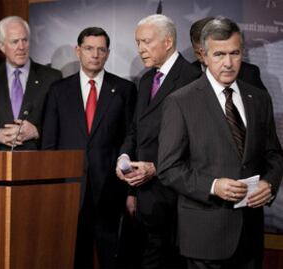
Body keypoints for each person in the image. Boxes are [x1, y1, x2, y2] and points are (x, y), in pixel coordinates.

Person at [158, 16, 283, 269]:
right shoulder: (180, 102)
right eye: (219, 54)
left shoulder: (258, 98)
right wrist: (213, 186)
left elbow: (274, 154)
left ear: (242, 52)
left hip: (250, 235)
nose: (228, 63)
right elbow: (168, 169)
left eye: (235, 53)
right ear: (203, 55)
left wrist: (269, 183)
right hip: (205, 237)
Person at [42, 27, 137, 268]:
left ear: (107, 54)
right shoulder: (58, 91)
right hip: (69, 190)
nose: (95, 54)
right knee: (73, 256)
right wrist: (51, 190)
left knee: (111, 257)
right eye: (89, 48)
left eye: (101, 49)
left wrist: (130, 192)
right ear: (78, 51)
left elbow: (130, 137)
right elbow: (49, 145)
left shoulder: (124, 90)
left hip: (110, 190)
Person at [116, 14, 201, 268]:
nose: (141, 48)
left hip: (176, 199)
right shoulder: (145, 81)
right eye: (137, 42)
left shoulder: (193, 78)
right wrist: (123, 159)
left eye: (146, 41)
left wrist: (154, 167)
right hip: (145, 199)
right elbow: (135, 131)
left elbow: (198, 143)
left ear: (168, 41)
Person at [0, 16, 62, 150]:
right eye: (15, 42)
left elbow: (63, 121)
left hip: (39, 162)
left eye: (24, 40)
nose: (21, 47)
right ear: (2, 46)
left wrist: (37, 131)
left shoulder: (51, 78)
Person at [190, 16, 266, 89]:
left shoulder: (250, 74)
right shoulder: (187, 74)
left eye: (219, 53)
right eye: (199, 54)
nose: (202, 59)